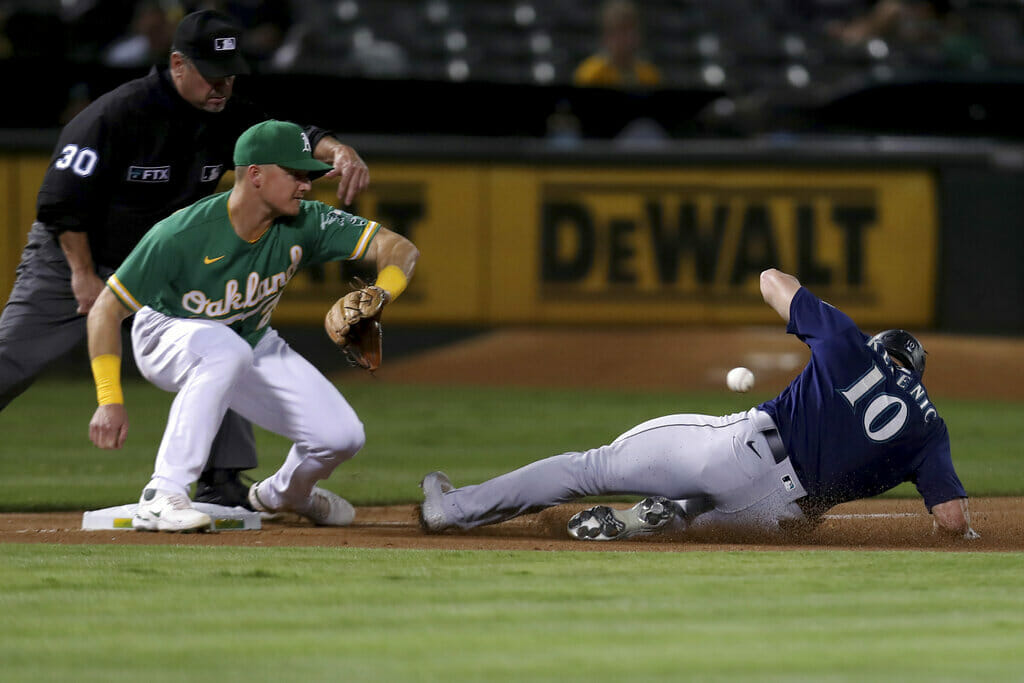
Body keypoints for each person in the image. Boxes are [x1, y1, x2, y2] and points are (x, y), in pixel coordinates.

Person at [0, 10, 370, 509]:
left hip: (166, 261)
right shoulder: (116, 115)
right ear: (178, 64)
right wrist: (84, 276)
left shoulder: (229, 114)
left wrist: (338, 148)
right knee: (14, 355)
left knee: (224, 339)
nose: (223, 85)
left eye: (230, 74)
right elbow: (61, 203)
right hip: (76, 253)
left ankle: (222, 478)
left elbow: (294, 136)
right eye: (212, 74)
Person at [420, 268, 978, 542]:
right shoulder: (930, 430)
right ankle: (667, 518)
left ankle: (454, 509)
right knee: (718, 520)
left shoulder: (849, 344)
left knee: (589, 469)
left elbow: (770, 280)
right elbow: (951, 520)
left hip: (741, 453)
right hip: (779, 520)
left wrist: (820, 312)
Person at [86, 119, 419, 532]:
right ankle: (163, 492)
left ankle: (282, 495)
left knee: (341, 437)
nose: (306, 185)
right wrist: (108, 397)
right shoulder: (182, 233)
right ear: (256, 175)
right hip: (166, 333)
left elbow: (399, 248)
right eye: (295, 174)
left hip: (251, 341)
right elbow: (105, 310)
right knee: (225, 349)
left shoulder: (306, 222)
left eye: (308, 175)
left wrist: (381, 293)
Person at [573, 0, 661, 89]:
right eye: (622, 31)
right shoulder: (589, 75)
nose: (629, 38)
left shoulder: (651, 75)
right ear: (606, 36)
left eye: (632, 30)